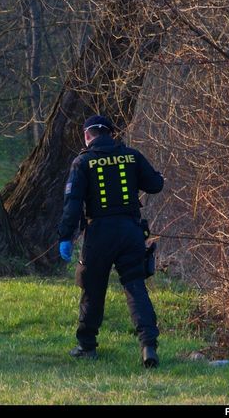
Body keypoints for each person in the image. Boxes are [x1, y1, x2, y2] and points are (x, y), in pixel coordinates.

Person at [57, 115, 164, 368]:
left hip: (99, 233)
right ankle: (148, 346)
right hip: (130, 231)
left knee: (93, 288)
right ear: (111, 134)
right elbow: (155, 185)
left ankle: (87, 346)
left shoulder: (83, 161)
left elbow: (72, 204)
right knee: (136, 287)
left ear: (87, 135)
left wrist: (65, 236)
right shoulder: (132, 156)